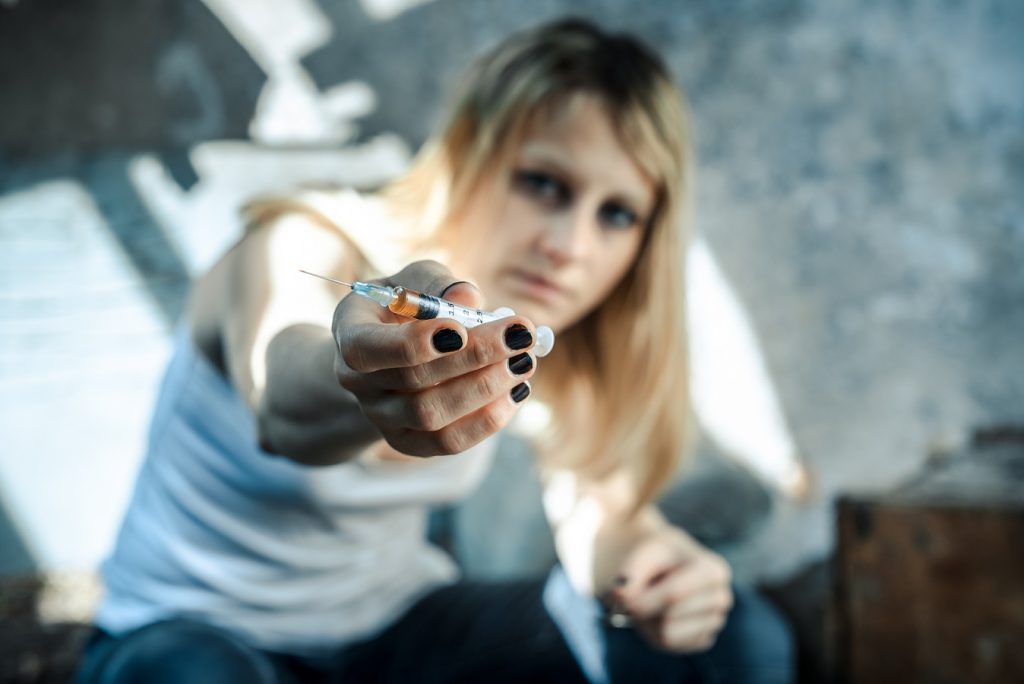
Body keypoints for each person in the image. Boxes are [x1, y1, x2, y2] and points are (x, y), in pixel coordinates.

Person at [76, 18, 793, 684]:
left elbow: (596, 512)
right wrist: (356, 370)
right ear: (468, 155)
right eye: (544, 183)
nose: (570, 246)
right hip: (192, 633)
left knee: (740, 641)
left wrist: (646, 568)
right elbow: (284, 400)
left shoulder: (542, 334)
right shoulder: (303, 242)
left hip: (390, 631)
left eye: (616, 214)